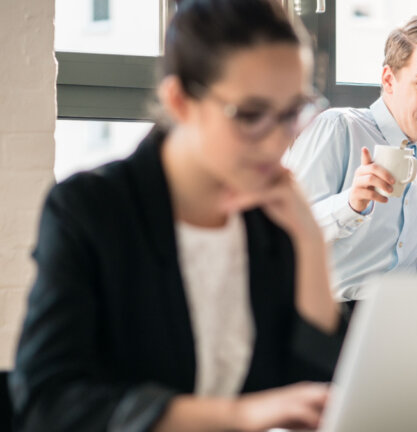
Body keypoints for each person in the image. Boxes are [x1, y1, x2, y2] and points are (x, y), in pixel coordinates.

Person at [10, 1, 346, 431]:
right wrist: (238, 416)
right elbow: (48, 402)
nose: (276, 142)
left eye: (292, 113)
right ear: (180, 100)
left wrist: (310, 242)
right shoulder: (93, 209)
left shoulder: (269, 214)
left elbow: (315, 393)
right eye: (250, 115)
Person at [284, 15, 417, 302]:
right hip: (329, 318)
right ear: (389, 80)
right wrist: (350, 204)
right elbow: (284, 231)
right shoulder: (340, 128)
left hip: (402, 321)